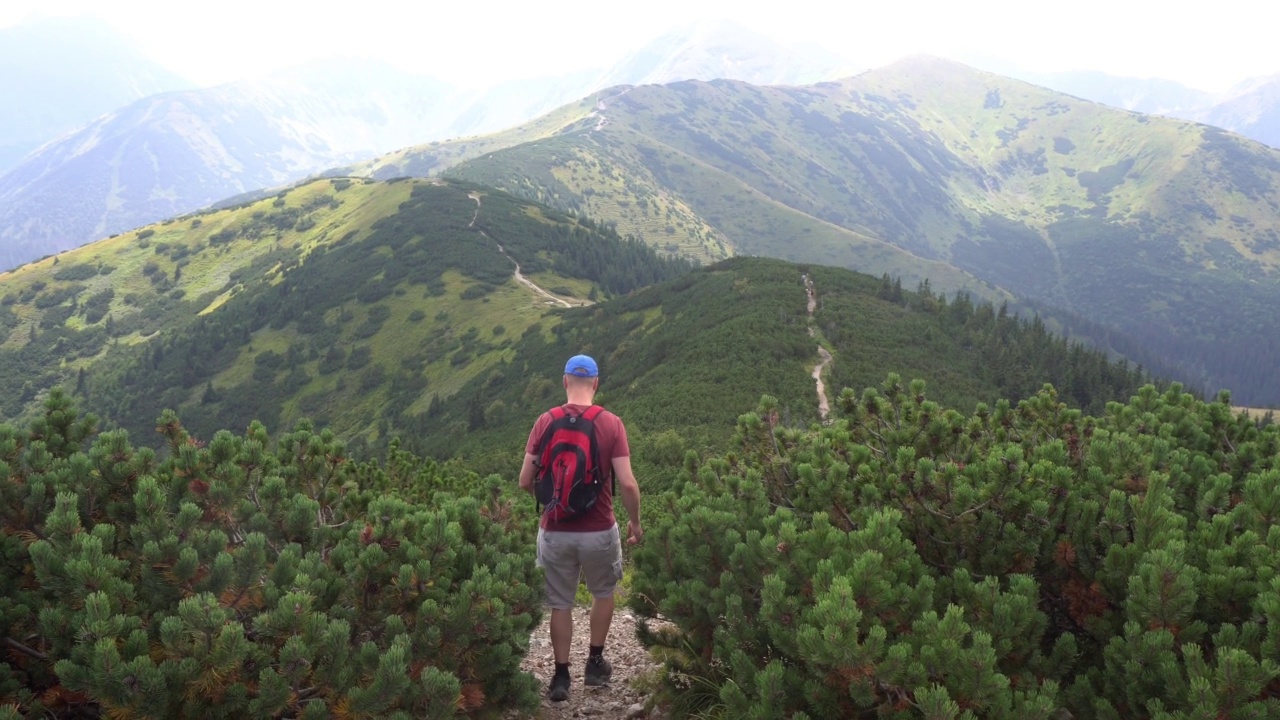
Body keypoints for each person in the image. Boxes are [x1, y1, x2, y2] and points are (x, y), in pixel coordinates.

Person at [519, 354, 643, 702]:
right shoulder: (611, 423)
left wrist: (553, 499)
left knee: (560, 603)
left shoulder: (545, 421)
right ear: (596, 384)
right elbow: (629, 485)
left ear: (564, 382)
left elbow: (524, 480)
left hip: (555, 530)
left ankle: (560, 678)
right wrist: (634, 522)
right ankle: (594, 662)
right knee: (603, 593)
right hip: (599, 531)